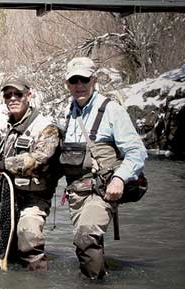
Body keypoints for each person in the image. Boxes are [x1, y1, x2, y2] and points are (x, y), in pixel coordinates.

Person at [59, 57, 147, 279]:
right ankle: (98, 278)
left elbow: (137, 152)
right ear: (67, 84)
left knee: (86, 237)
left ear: (94, 81)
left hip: (102, 192)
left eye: (84, 80)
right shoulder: (68, 113)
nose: (79, 85)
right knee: (86, 246)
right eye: (74, 80)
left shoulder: (111, 110)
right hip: (75, 196)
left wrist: (119, 179)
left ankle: (95, 283)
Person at [0, 77, 61, 271]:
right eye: (8, 95)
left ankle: (37, 280)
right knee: (7, 250)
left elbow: (39, 158)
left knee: (28, 237)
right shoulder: (3, 128)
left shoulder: (47, 127)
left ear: (29, 96)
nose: (13, 99)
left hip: (34, 197)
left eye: (18, 94)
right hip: (6, 199)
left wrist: (2, 165)